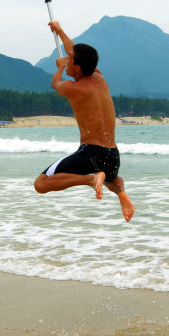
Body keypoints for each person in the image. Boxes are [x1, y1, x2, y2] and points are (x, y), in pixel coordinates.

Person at [34, 21, 135, 222]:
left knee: (41, 184)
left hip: (91, 152)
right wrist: (60, 31)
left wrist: (60, 68)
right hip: (112, 153)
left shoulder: (75, 89)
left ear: (77, 68)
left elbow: (55, 84)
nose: (66, 57)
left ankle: (91, 179)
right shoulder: (99, 77)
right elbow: (75, 50)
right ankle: (121, 194)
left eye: (69, 58)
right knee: (112, 179)